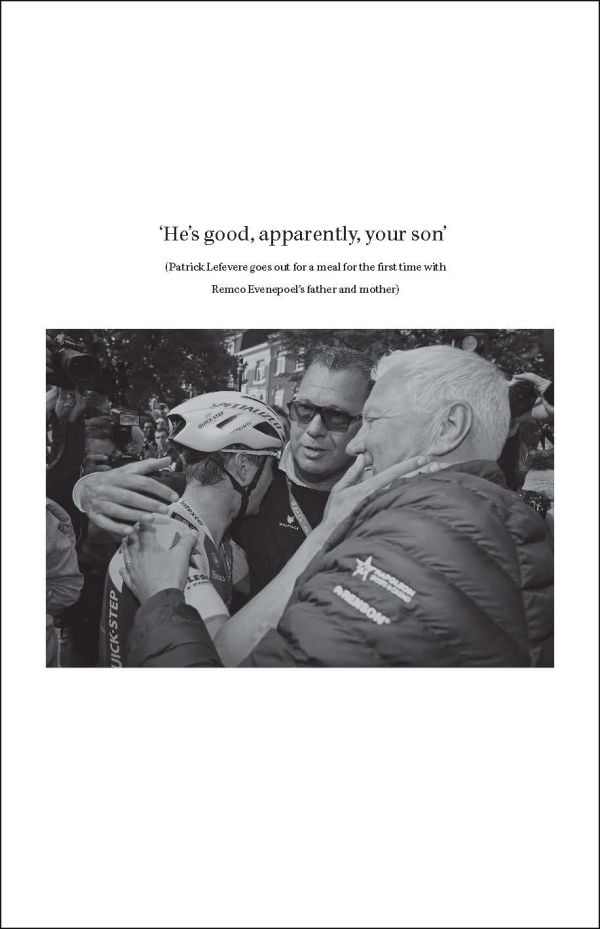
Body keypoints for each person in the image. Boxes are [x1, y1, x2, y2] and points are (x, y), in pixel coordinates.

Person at [244, 346, 554, 667]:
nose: (355, 444)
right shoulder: (519, 529)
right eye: (303, 410)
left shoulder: (404, 539)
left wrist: (186, 609)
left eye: (370, 419)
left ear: (449, 428)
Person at [71, 347, 374, 595]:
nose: (314, 429)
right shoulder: (254, 481)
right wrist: (90, 490)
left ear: (367, 420)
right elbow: (171, 487)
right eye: (304, 410)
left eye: (336, 417)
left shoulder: (381, 503)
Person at [98, 391, 286, 667]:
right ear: (244, 467)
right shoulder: (172, 540)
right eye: (273, 466)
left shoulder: (211, 537)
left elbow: (266, 588)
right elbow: (225, 652)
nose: (274, 479)